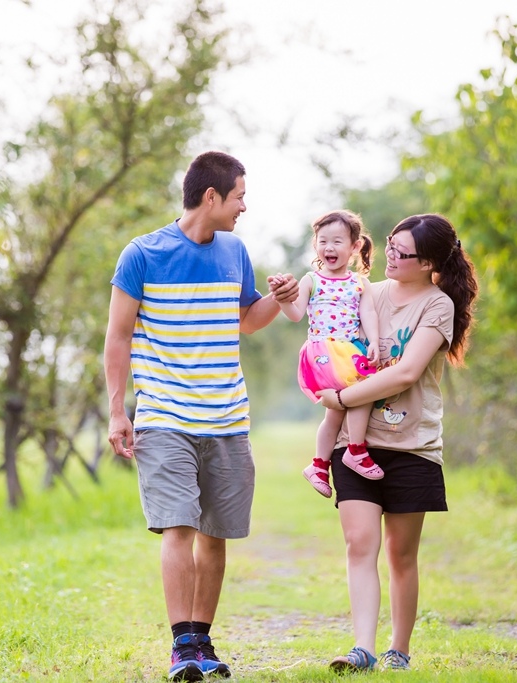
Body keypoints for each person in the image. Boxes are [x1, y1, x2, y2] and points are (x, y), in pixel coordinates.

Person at [103, 150, 299, 681]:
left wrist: (280, 300)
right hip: (165, 415)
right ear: (210, 197)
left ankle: (203, 644)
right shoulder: (141, 254)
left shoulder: (235, 251)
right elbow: (118, 337)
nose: (243, 207)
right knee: (179, 528)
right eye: (238, 196)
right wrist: (118, 411)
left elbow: (247, 321)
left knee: (216, 535)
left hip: (227, 418)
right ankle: (181, 647)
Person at [315, 213, 478, 672]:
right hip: (357, 441)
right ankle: (362, 649)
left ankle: (398, 650)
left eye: (401, 253)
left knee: (401, 555)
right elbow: (327, 328)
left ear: (428, 263)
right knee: (359, 543)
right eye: (389, 245)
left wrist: (343, 396)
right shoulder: (368, 291)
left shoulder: (437, 305)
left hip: (412, 447)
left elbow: (406, 372)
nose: (389, 256)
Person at [274, 210, 383, 499]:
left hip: (349, 351)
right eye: (323, 241)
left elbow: (368, 313)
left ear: (355, 247)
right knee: (362, 393)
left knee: (337, 412)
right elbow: (296, 314)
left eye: (337, 241)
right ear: (315, 245)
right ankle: (355, 451)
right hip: (322, 352)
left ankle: (319, 465)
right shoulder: (311, 279)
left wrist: (373, 341)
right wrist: (283, 298)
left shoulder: (360, 283)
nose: (329, 248)